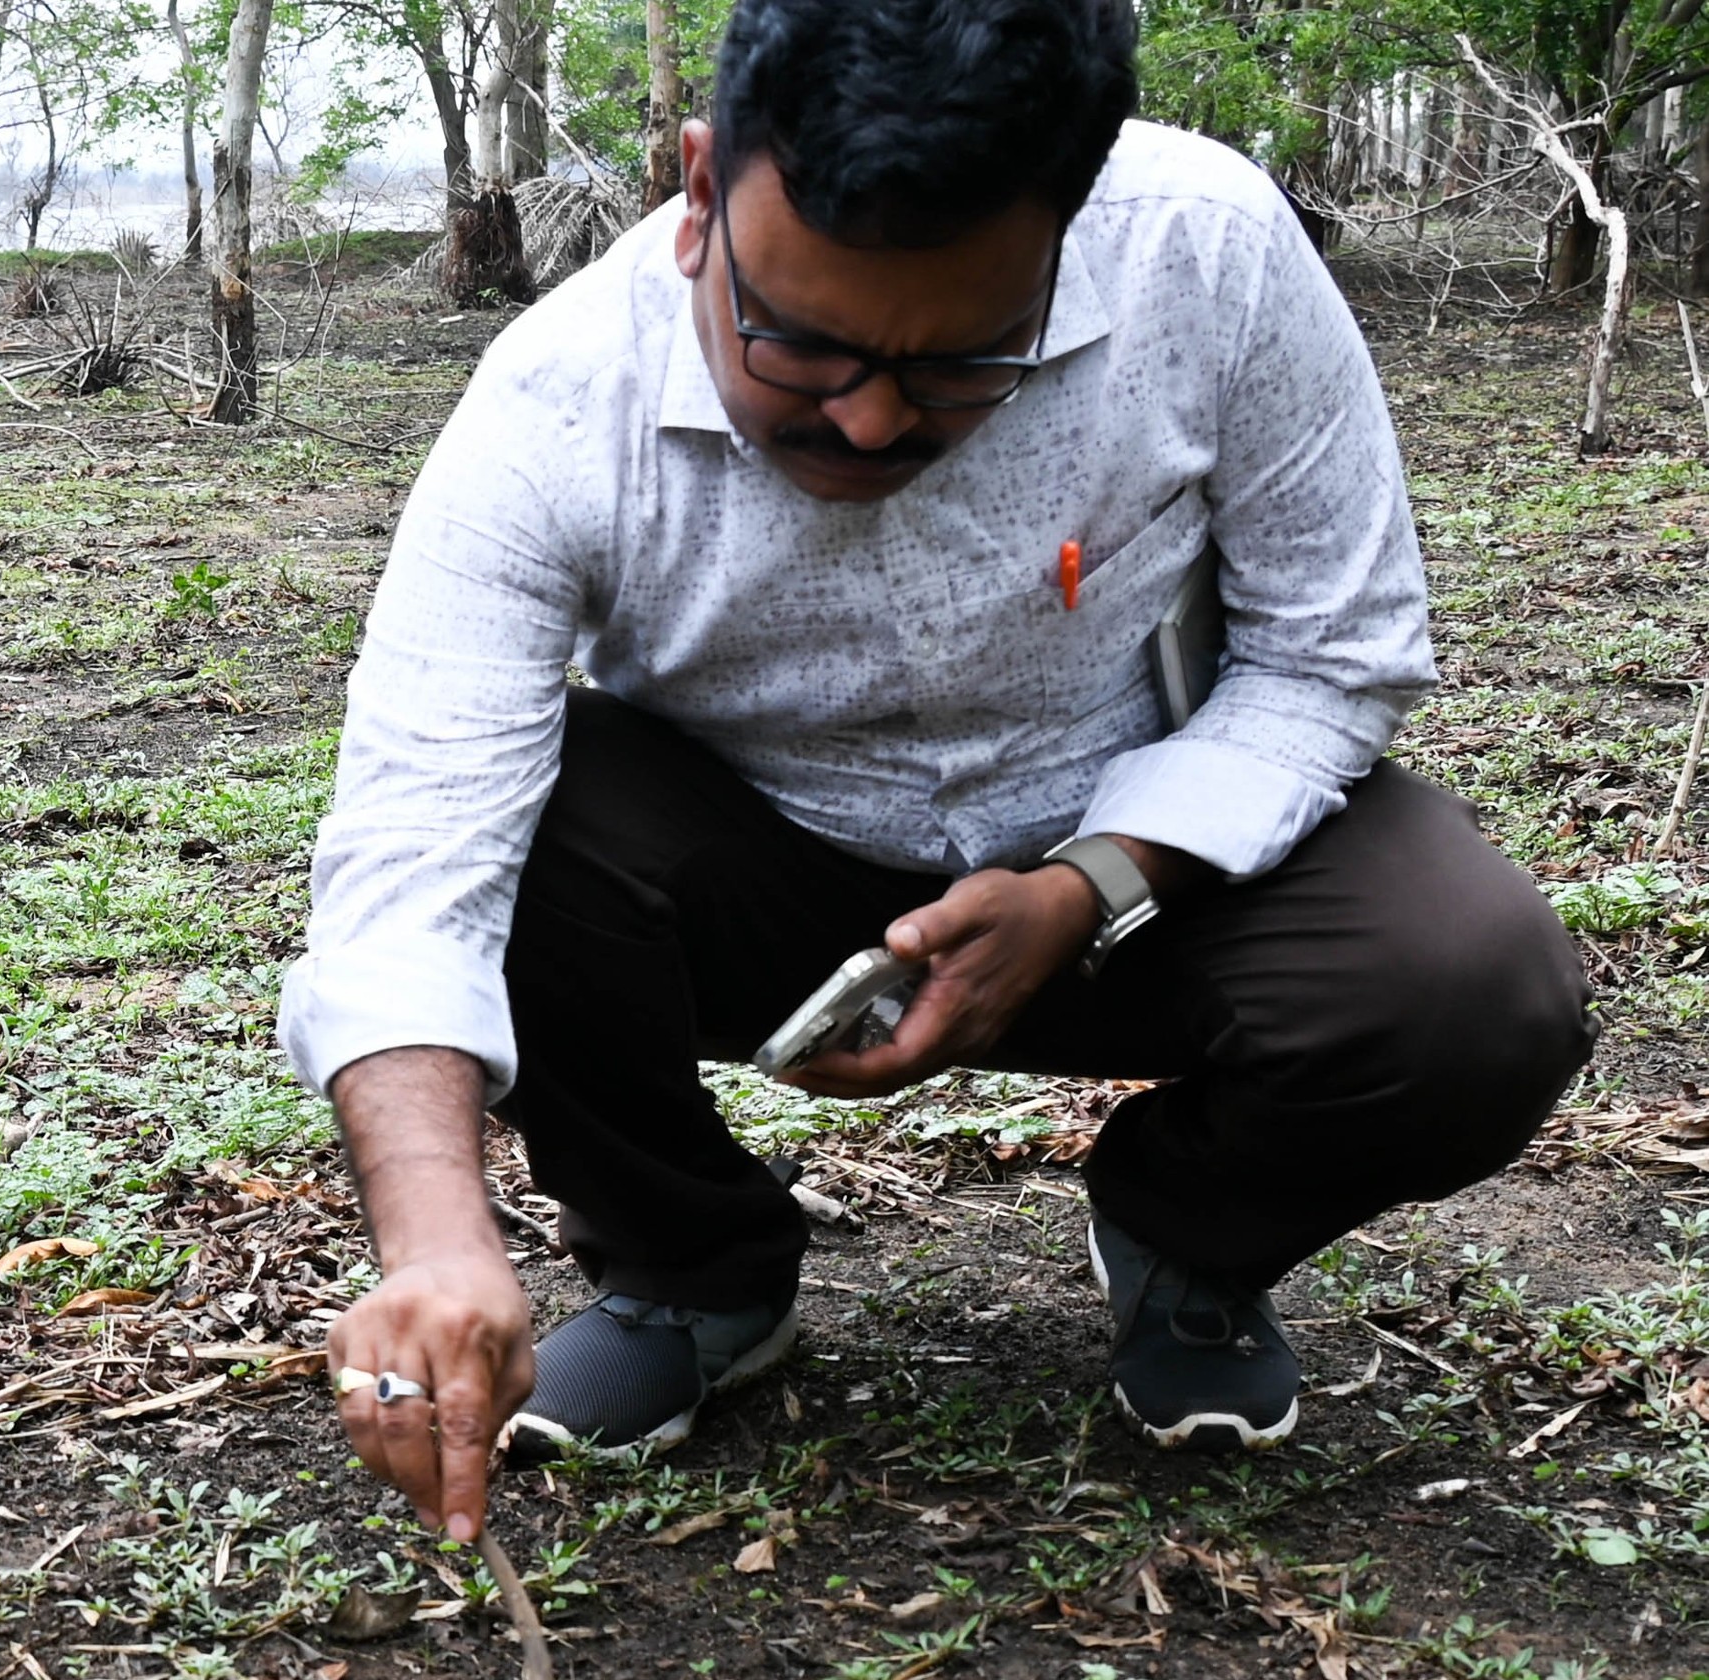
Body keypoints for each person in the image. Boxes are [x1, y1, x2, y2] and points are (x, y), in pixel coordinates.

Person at [287, 0, 1590, 1542]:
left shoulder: (1208, 255)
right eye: (803, 341)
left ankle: (1181, 1232)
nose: (872, 416)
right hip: (759, 882)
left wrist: (1089, 887)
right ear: (700, 190)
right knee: (534, 823)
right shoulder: (555, 407)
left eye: (971, 362)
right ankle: (691, 1273)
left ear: (1074, 219)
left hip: (1139, 871)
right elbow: (411, 842)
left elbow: (1334, 654)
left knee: (1476, 990)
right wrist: (435, 1240)